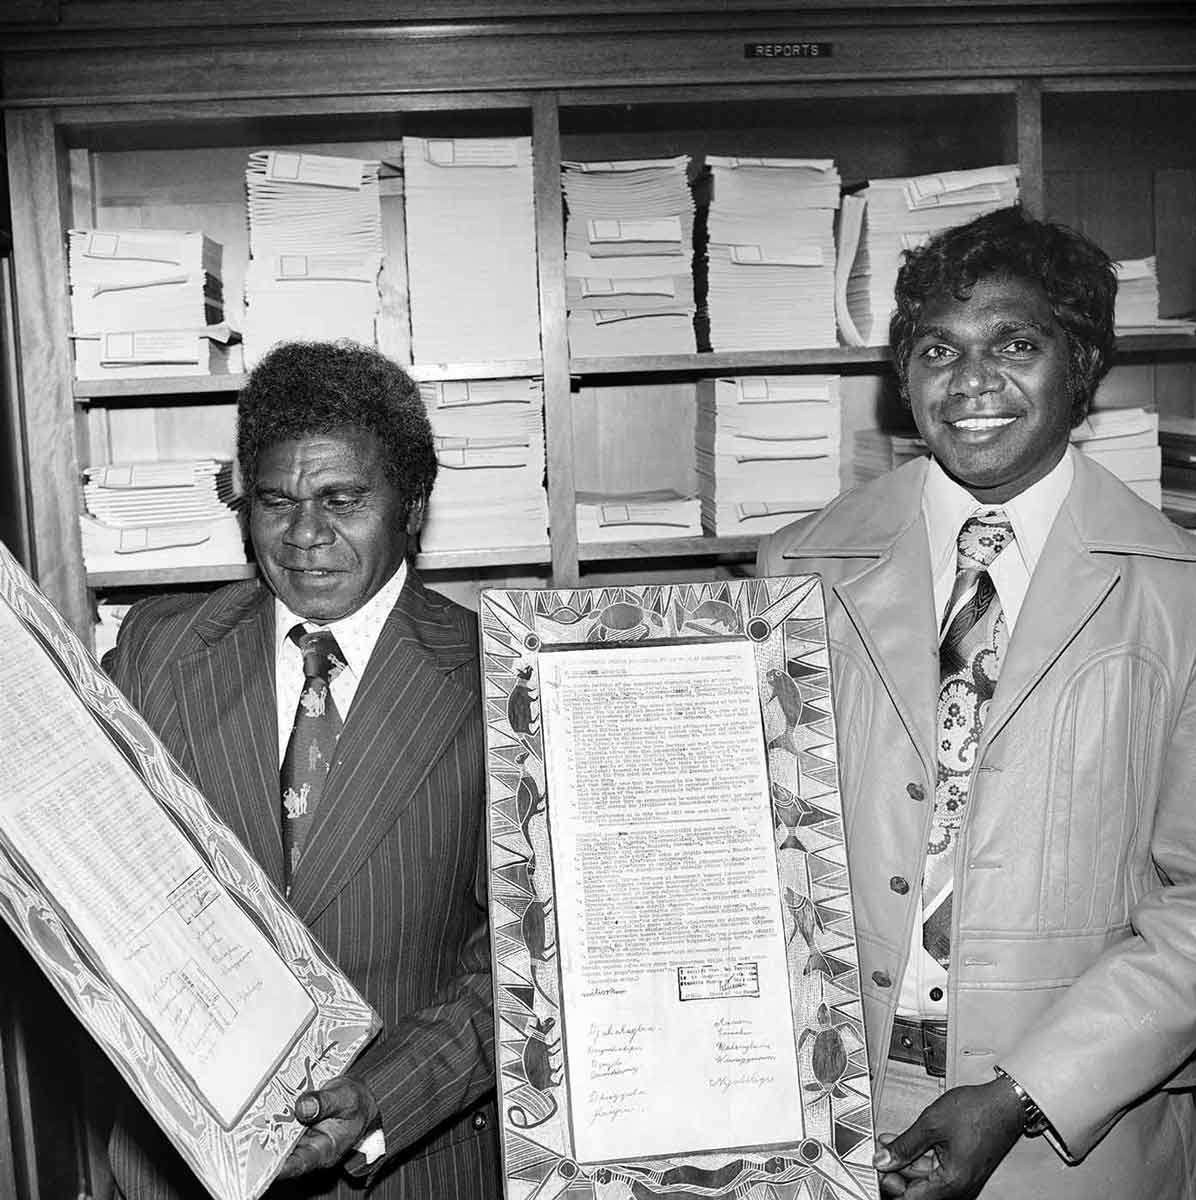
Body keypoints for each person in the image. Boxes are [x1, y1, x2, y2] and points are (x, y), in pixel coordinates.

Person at [758, 207, 1196, 1198]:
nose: (970, 381)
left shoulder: (1177, 591)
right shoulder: (797, 566)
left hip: (1075, 1128)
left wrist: (1021, 1092)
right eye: (936, 350)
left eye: (1015, 344)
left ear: (1081, 364)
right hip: (835, 1104)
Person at [103, 340, 501, 1198]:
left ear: (413, 506)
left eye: (342, 500)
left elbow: (528, 972)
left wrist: (380, 1096)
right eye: (275, 501)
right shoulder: (158, 651)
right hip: (179, 1167)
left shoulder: (497, 679)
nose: (304, 534)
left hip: (406, 1166)